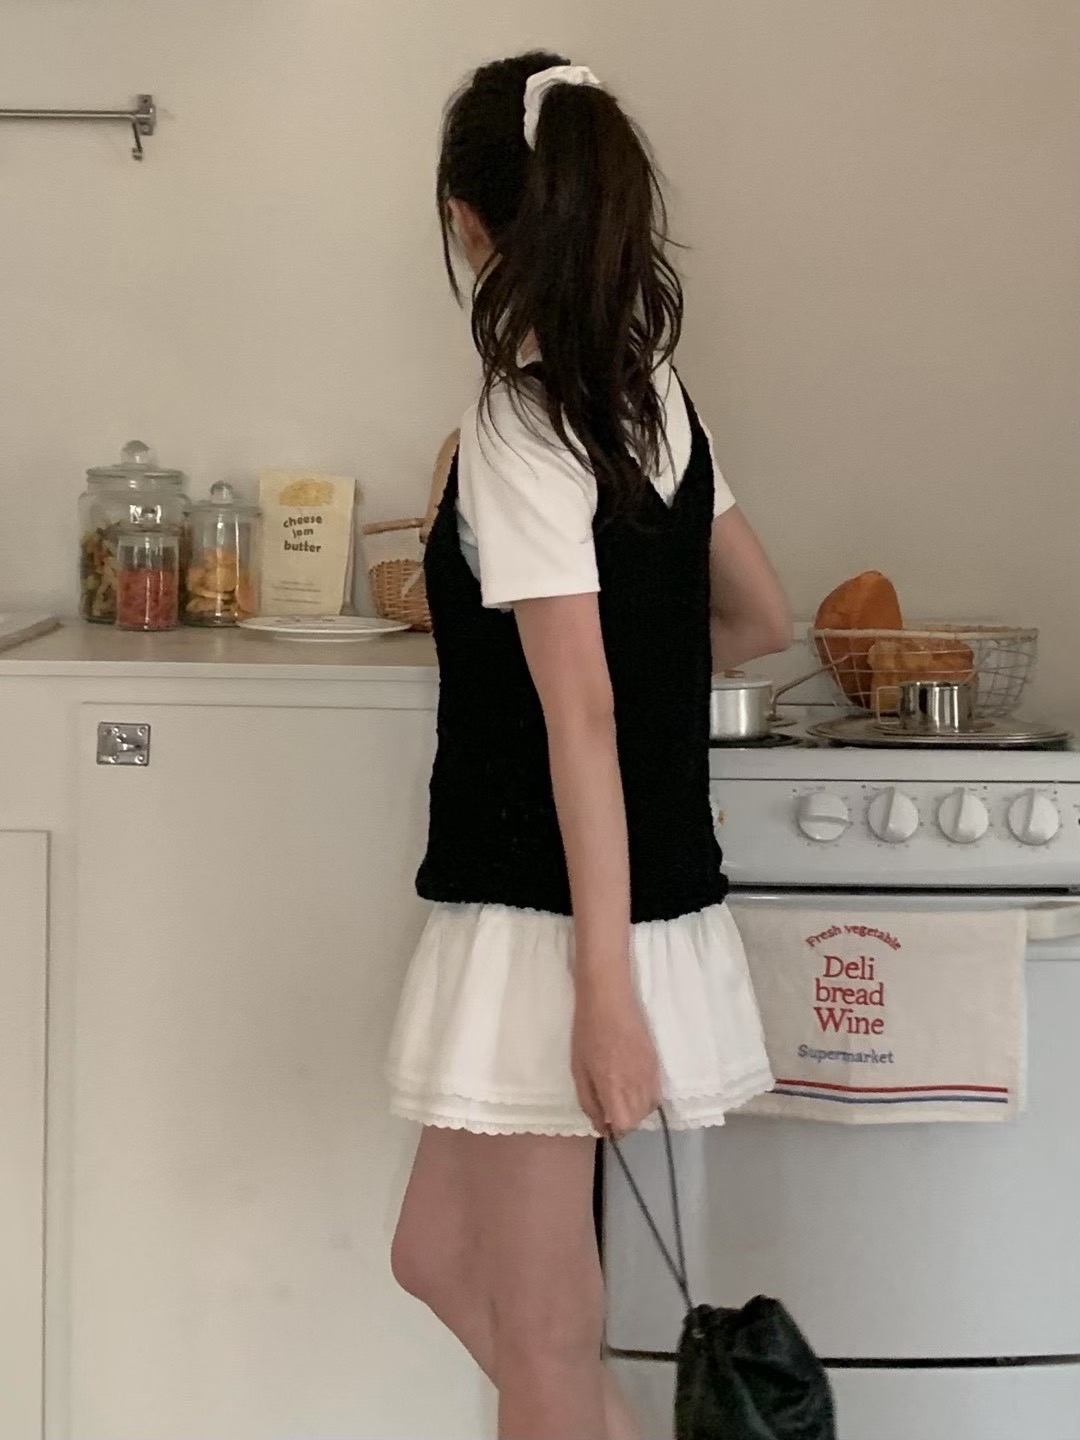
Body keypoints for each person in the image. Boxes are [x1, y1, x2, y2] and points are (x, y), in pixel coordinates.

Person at [387, 51, 792, 1440]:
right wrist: (655, 672)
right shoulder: (652, 394)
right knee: (437, 1259)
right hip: (598, 894)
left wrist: (601, 992)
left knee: (546, 1328)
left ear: (470, 222)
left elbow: (582, 714)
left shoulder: (520, 419)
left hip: (553, 916)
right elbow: (762, 615)